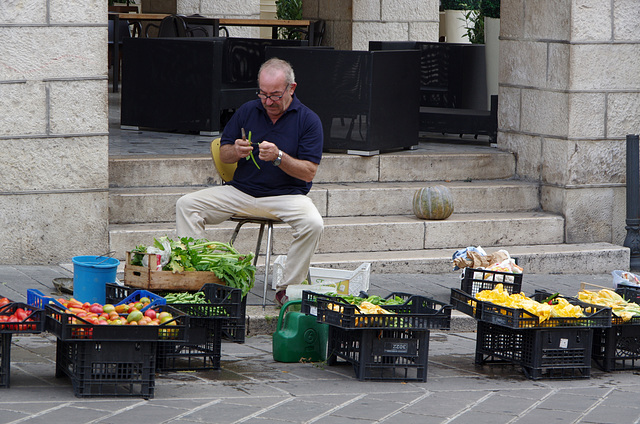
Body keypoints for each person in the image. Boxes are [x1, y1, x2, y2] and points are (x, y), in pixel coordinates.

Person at [176, 57, 324, 307]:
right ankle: (201, 277)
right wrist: (236, 151)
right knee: (186, 204)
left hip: (286, 196)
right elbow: (223, 152)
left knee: (313, 223)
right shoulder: (247, 110)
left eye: (275, 95)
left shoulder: (308, 120)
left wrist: (279, 157)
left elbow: (308, 172)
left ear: (292, 88)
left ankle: (288, 289)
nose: (268, 102)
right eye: (263, 94)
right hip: (241, 192)